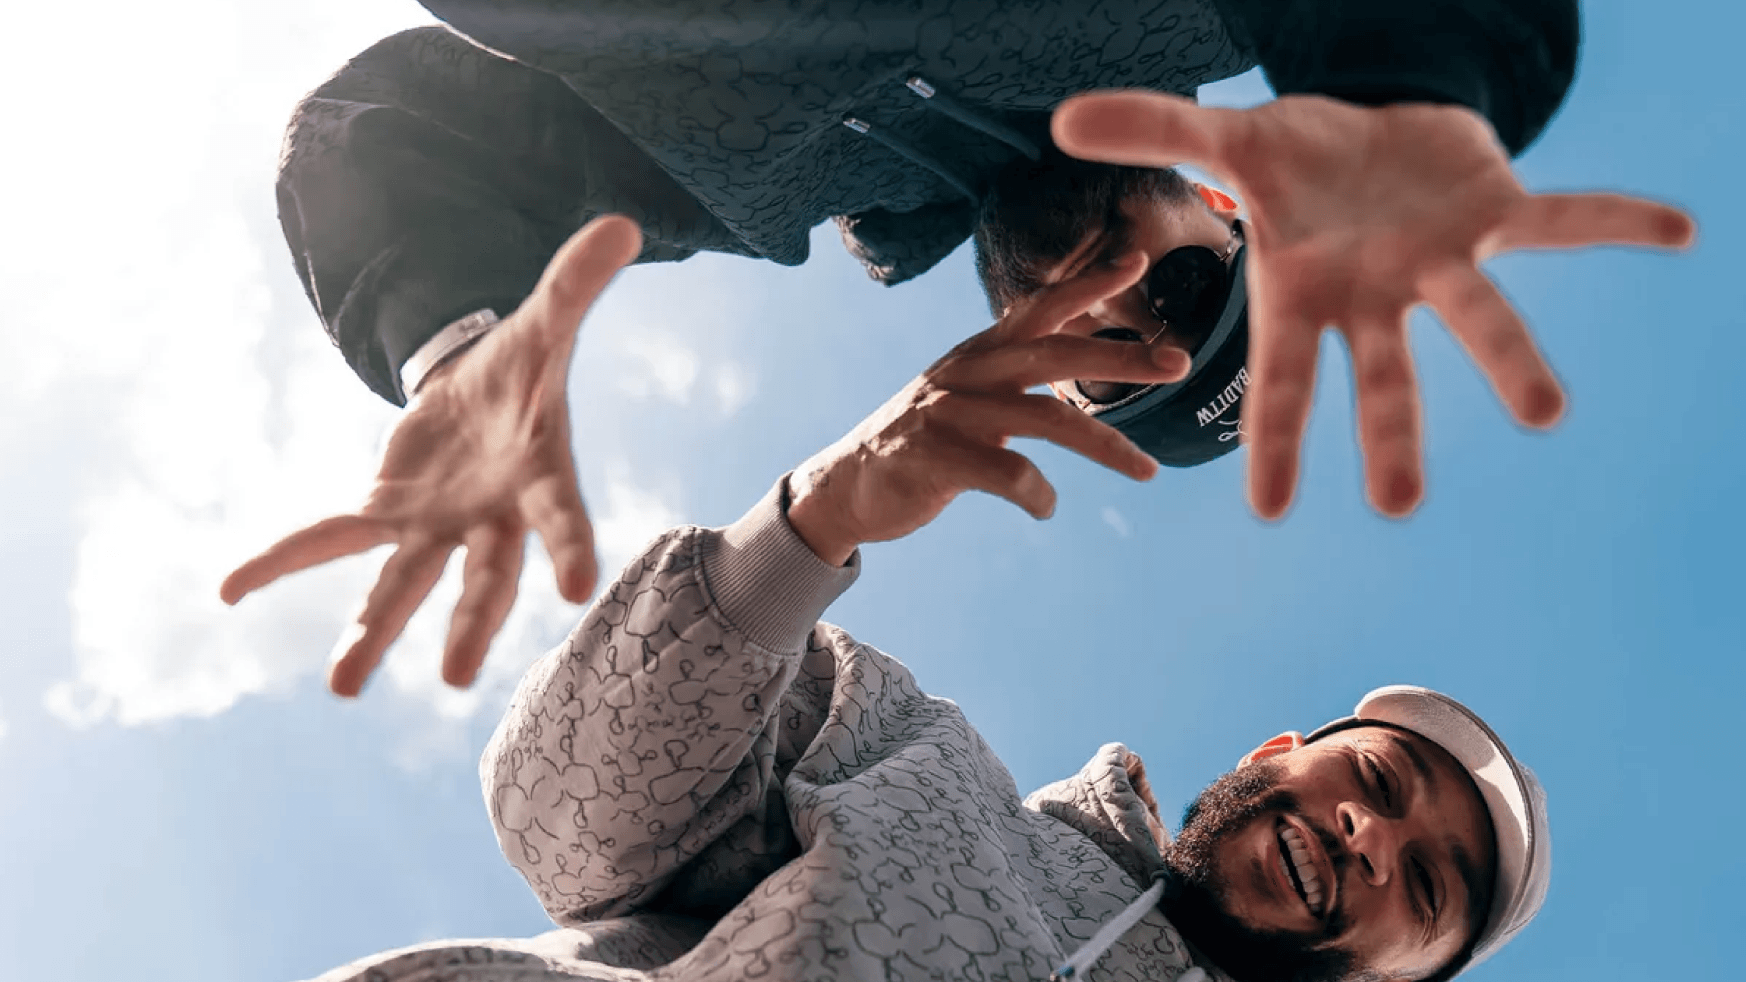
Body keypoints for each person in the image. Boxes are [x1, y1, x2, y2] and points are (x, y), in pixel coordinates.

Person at [237, 0, 1694, 695]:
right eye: (1180, 305)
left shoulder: (750, 193)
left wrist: (454, 353)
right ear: (1233, 206)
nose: (1113, 300)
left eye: (1097, 356)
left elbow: (388, 128)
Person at [302, 238, 1550, 982]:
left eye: (1427, 886)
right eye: (1378, 780)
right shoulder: (898, 749)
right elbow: (562, 818)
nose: (1372, 838)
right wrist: (813, 522)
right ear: (1279, 753)